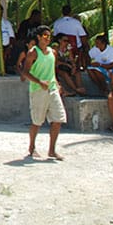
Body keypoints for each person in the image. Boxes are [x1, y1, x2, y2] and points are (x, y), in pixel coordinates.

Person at [22, 26, 67, 161]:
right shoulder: (33, 53)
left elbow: (53, 71)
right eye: (45, 36)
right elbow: (25, 72)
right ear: (39, 37)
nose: (48, 39)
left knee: (58, 118)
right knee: (37, 121)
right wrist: (39, 81)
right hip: (38, 90)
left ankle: (52, 150)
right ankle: (32, 147)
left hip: (52, 88)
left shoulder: (53, 52)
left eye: (49, 36)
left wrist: (57, 84)